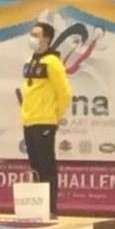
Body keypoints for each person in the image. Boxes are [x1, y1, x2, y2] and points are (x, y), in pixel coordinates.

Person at [20, 22, 72, 216]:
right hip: (29, 120)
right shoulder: (30, 60)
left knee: (46, 166)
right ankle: (37, 207)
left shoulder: (53, 62)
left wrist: (54, 116)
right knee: (35, 167)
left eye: (36, 35)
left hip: (45, 121)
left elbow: (65, 94)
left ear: (47, 39)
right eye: (31, 34)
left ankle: (50, 208)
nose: (32, 38)